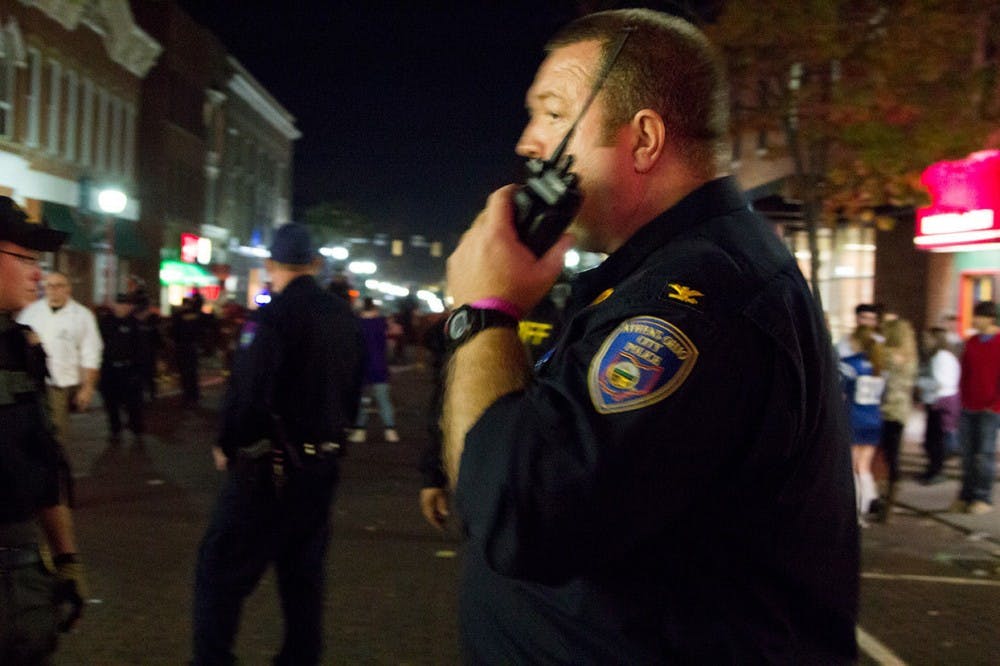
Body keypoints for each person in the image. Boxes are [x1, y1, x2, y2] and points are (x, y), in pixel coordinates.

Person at [440, 10, 858, 663]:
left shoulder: (697, 301)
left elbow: (519, 514)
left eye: (552, 114)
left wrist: (484, 312)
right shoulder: (667, 272)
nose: (528, 141)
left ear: (643, 140)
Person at [191, 223, 364, 665]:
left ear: (270, 265)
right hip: (322, 463)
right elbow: (351, 390)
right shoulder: (344, 317)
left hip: (269, 467)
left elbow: (248, 392)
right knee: (303, 576)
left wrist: (228, 442)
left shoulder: (272, 316)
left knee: (219, 570)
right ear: (316, 264)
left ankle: (213, 660)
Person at [0, 196, 88, 663]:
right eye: (26, 259)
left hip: (22, 579)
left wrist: (67, 559)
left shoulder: (21, 348)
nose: (38, 273)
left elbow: (45, 464)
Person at [17, 270, 103, 444]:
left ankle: (55, 465)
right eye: (49, 286)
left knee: (56, 431)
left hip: (60, 383)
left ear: (68, 289)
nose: (54, 290)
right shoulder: (31, 313)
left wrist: (87, 388)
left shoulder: (82, 316)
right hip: (31, 381)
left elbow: (91, 353)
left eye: (59, 286)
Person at [949, 300, 1000, 515]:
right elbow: (964, 372)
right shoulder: (971, 342)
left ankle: (983, 497)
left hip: (990, 409)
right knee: (967, 455)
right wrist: (962, 398)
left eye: (978, 316)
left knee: (985, 454)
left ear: (990, 318)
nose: (975, 320)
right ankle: (965, 495)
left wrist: (995, 404)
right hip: (968, 406)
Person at [840, 325, 886, 523]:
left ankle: (855, 511)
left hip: (854, 418)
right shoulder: (879, 366)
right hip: (873, 419)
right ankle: (868, 506)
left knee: (851, 467)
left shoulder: (850, 364)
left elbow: (840, 390)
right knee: (865, 466)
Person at [874, 317, 918, 521]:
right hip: (900, 411)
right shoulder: (911, 358)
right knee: (894, 457)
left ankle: (879, 499)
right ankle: (889, 501)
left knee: (877, 455)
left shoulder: (886, 354)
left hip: (884, 409)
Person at [348, 297, 400, 443]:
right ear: (374, 309)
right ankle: (391, 431)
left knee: (363, 401)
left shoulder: (356, 324)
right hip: (379, 366)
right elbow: (389, 346)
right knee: (384, 400)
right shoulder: (382, 324)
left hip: (362, 367)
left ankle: (360, 431)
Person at [97, 293, 145, 445]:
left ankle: (136, 430)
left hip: (129, 369)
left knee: (133, 403)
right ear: (115, 305)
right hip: (109, 369)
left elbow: (142, 349)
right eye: (121, 304)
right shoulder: (105, 323)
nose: (124, 307)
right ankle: (115, 430)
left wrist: (139, 371)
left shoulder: (134, 324)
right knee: (111, 403)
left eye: (127, 304)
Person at [916, 327, 961, 485]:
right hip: (939, 400)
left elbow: (940, 383)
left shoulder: (941, 357)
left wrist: (919, 383)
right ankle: (933, 469)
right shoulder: (941, 356)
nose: (925, 342)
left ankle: (936, 470)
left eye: (928, 338)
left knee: (936, 440)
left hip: (940, 401)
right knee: (933, 439)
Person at [169, 295, 204, 406]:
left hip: (182, 347)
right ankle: (194, 396)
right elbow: (200, 331)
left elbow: (173, 332)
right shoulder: (197, 316)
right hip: (192, 347)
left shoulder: (178, 316)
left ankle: (187, 397)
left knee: (184, 373)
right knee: (192, 372)